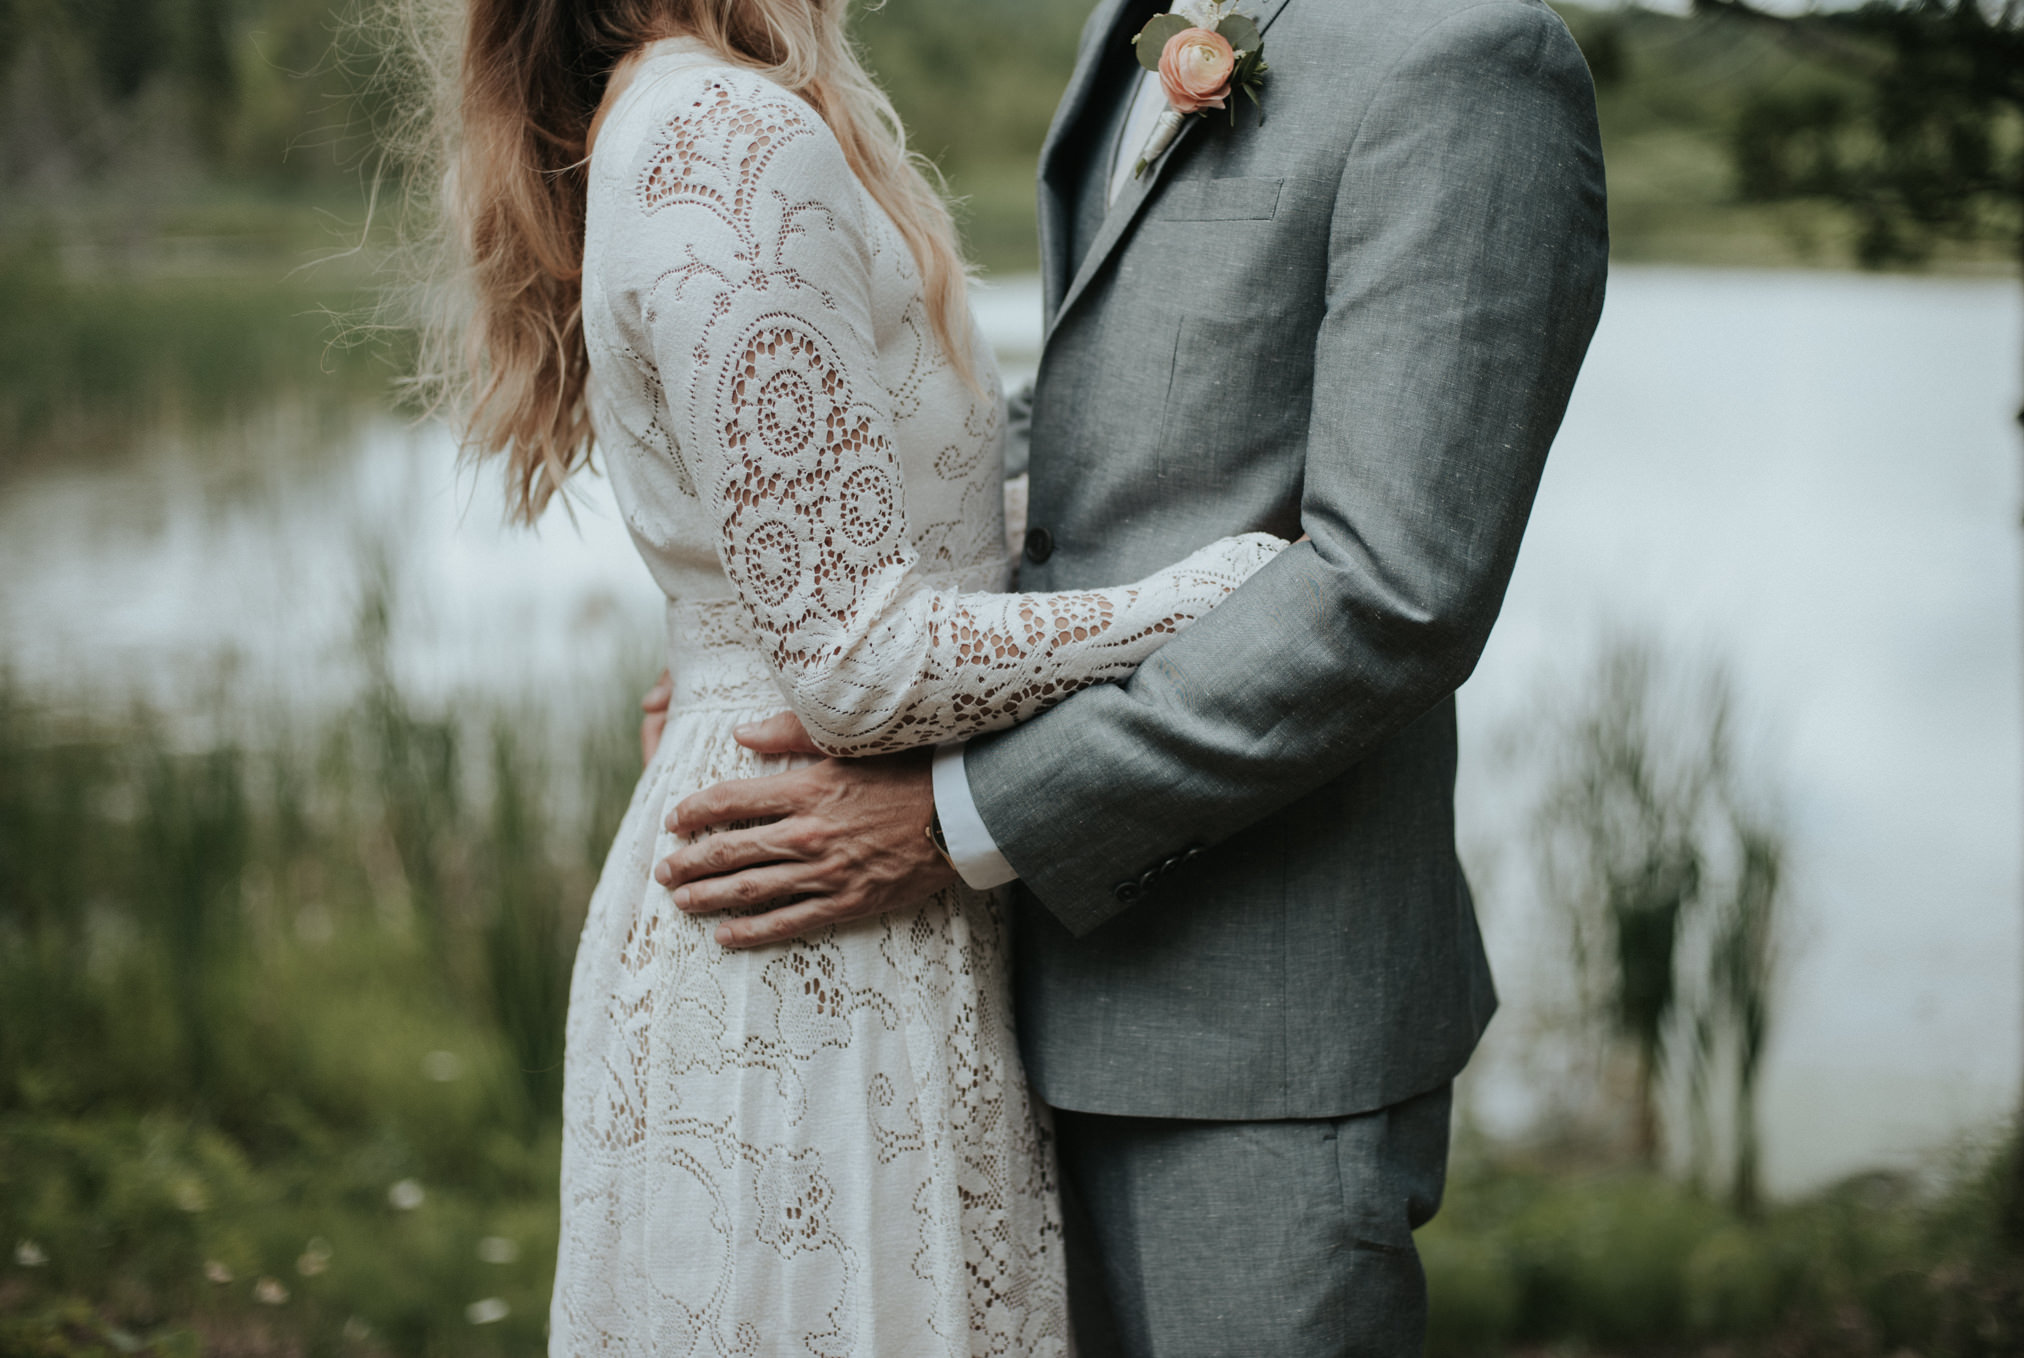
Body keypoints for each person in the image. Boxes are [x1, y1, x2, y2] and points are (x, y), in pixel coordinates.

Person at [650, 0, 1610, 1354]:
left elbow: (1389, 593)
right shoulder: (1129, 22)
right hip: (999, 1010)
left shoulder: (1459, 64)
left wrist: (958, 821)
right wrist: (790, 649)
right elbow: (1096, 442)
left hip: (1255, 1036)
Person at [415, 0, 1293, 1351]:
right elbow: (859, 664)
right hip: (809, 910)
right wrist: (1195, 600)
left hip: (802, 853)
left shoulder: (680, 110)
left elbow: (848, 556)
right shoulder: (722, 132)